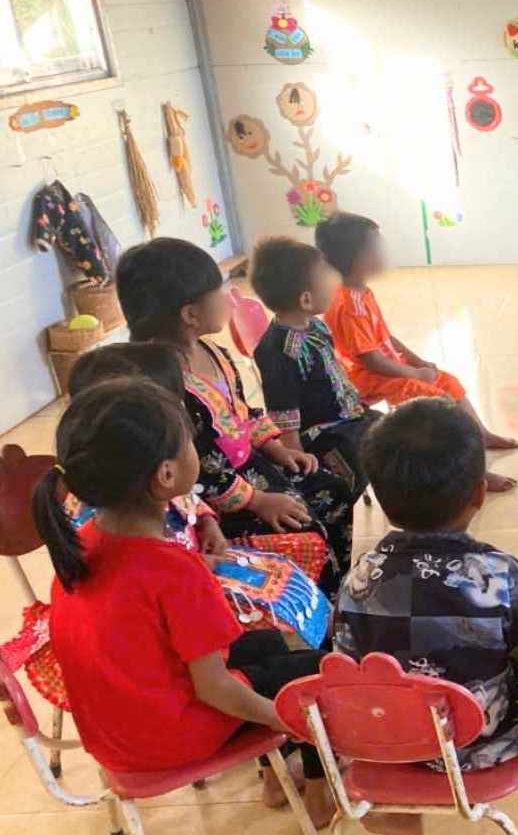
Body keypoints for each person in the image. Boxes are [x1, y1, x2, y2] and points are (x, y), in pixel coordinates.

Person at [31, 378, 332, 826]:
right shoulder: (175, 571)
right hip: (169, 739)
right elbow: (215, 689)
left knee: (267, 646)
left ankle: (274, 778)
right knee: (310, 675)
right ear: (167, 476)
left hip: (115, 737)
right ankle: (321, 793)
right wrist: (285, 719)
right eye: (189, 442)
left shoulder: (82, 544)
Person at [334, 398, 518, 835]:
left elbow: (345, 666)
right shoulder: (499, 576)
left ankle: (401, 806)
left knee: (390, 680)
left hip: (395, 742)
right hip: (485, 742)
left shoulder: (359, 576)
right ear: (479, 493)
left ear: (376, 493)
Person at [115, 237, 358, 596]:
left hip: (254, 466)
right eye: (220, 289)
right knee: (305, 524)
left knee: (332, 489)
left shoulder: (212, 352)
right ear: (190, 315)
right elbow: (198, 469)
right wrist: (258, 501)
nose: (229, 295)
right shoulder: (164, 385)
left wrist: (278, 449)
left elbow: (245, 412)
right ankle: (313, 609)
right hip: (216, 492)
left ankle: (341, 590)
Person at [315, 212, 517, 491]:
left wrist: (419, 362)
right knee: (439, 402)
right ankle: (473, 475)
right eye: (376, 248)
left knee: (447, 380)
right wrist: (413, 372)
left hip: (388, 369)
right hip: (366, 379)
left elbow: (387, 338)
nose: (383, 253)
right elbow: (369, 359)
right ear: (357, 258)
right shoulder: (348, 304)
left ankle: (481, 435)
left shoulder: (362, 293)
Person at [65, 343, 228, 560]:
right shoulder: (102, 513)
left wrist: (207, 521)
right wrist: (194, 564)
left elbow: (186, 498)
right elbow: (135, 571)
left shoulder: (148, 467)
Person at [249, 235, 380, 496]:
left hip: (349, 417)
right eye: (327, 278)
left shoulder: (315, 325)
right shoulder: (279, 351)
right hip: (323, 435)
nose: (335, 283)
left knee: (402, 434)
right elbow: (285, 419)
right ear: (306, 300)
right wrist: (300, 465)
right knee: (368, 462)